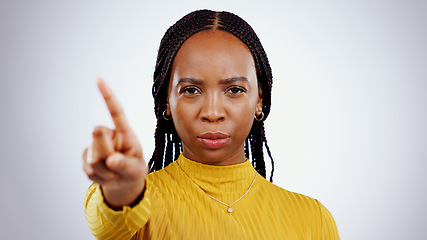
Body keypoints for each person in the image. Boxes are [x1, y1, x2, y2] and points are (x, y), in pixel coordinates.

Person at [83, 9, 340, 239]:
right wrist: (122, 193)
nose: (213, 112)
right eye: (192, 90)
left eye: (235, 89)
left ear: (259, 99)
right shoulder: (142, 204)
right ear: (166, 103)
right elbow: (109, 225)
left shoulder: (313, 219)